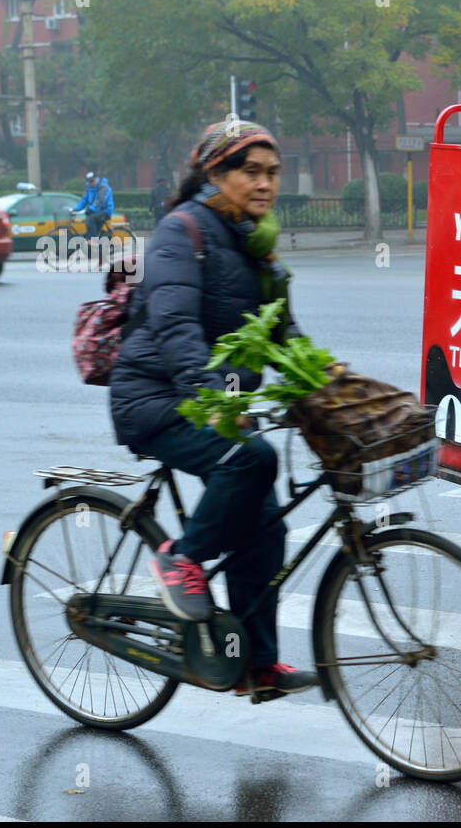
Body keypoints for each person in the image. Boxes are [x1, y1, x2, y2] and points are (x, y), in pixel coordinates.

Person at [108, 120, 314, 699]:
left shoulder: (258, 243)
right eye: (251, 171)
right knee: (251, 459)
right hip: (154, 400)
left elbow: (283, 333)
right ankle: (183, 558)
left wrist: (324, 384)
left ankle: (256, 663)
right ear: (215, 174)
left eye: (273, 172)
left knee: (266, 527)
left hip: (214, 402)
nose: (265, 183)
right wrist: (222, 401)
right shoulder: (182, 233)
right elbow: (175, 330)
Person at [72, 170, 114, 243]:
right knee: (89, 221)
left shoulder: (103, 187)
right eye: (89, 181)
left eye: (92, 181)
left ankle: (93, 241)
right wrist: (75, 209)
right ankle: (94, 245)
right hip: (96, 211)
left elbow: (100, 201)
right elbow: (84, 201)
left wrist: (91, 209)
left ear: (96, 179)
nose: (91, 183)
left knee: (91, 218)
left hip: (106, 211)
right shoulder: (89, 189)